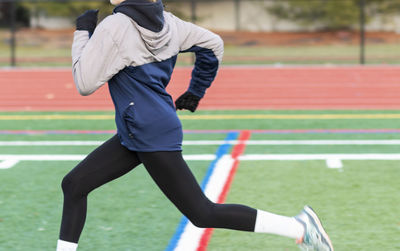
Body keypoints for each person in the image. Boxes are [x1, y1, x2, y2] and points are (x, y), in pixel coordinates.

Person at [56, 0, 334, 250]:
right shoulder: (169, 22)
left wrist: (83, 33)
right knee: (74, 184)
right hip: (141, 130)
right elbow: (213, 44)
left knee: (202, 213)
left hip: (149, 133)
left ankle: (300, 228)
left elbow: (84, 82)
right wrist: (196, 90)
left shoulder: (115, 25)